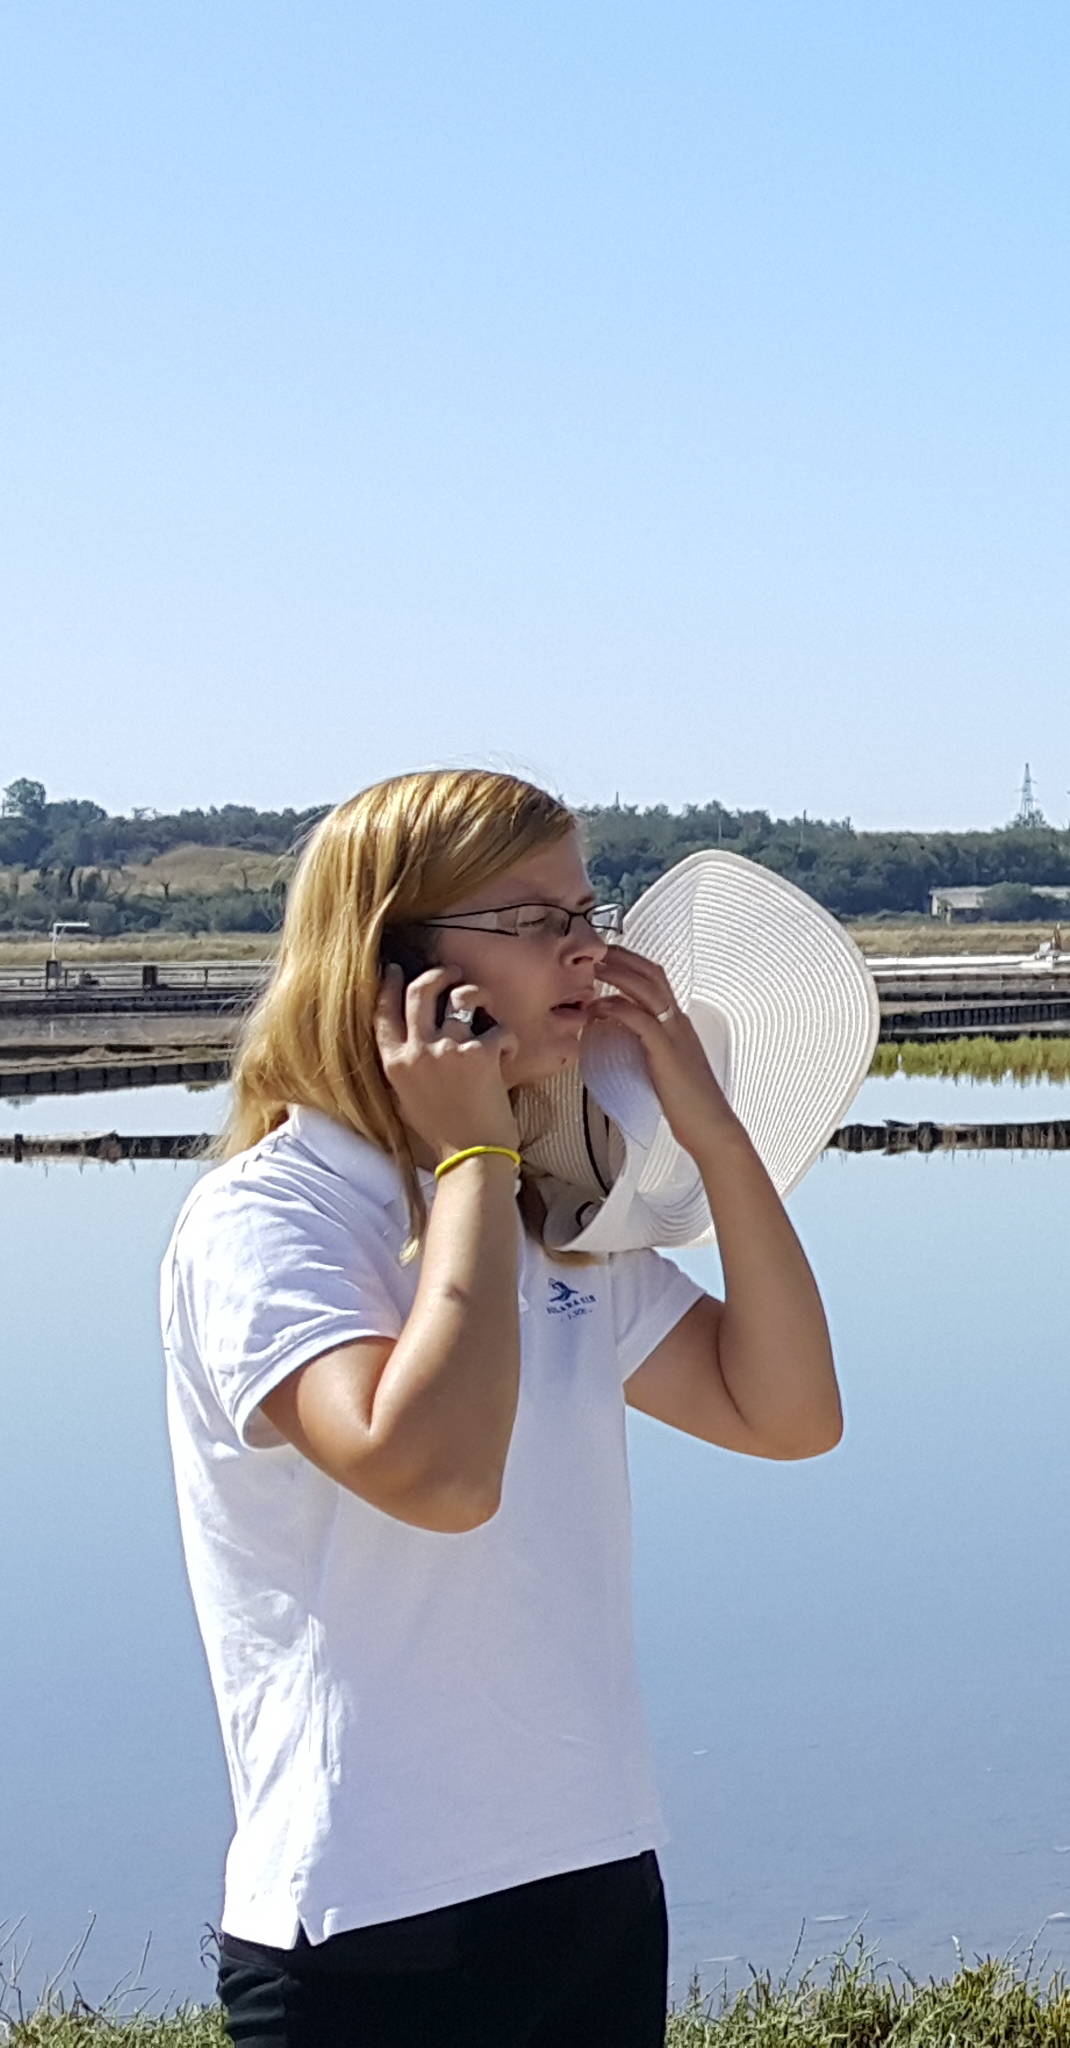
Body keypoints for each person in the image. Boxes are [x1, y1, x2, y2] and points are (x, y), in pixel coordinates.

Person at [159, 769, 843, 2046]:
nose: (586, 951)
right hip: (372, 1923)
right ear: (398, 972)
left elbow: (789, 1413)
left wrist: (714, 1134)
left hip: (591, 1878)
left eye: (589, 912)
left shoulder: (549, 1221)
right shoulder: (271, 1218)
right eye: (534, 921)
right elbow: (440, 1474)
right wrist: (472, 1151)